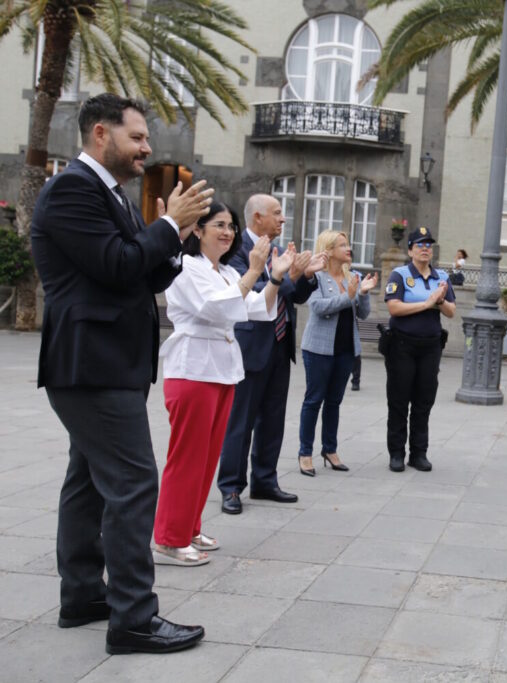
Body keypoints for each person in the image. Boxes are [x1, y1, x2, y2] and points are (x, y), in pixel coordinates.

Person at [31, 93, 210, 654]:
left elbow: (142, 275)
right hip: (91, 366)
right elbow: (117, 265)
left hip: (110, 365)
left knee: (87, 483)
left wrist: (174, 237)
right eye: (137, 138)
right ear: (101, 134)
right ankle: (134, 617)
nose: (147, 149)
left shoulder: (112, 195)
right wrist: (167, 226)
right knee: (134, 484)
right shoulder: (70, 191)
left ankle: (83, 595)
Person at [154, 203, 289, 565]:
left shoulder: (227, 271)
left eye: (230, 226)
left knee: (207, 457)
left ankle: (189, 527)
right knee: (187, 458)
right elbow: (215, 309)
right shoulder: (185, 268)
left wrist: (274, 277)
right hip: (193, 370)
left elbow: (256, 307)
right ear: (197, 230)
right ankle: (169, 536)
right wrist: (257, 270)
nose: (228, 232)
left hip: (222, 370)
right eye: (219, 225)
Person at [217, 194, 323, 515]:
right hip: (250, 346)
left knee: (273, 419)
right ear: (258, 216)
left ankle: (265, 479)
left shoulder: (275, 250)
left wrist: (304, 276)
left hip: (279, 344)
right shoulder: (237, 254)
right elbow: (255, 296)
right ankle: (231, 487)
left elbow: (293, 298)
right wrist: (286, 277)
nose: (283, 219)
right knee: (241, 420)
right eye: (277, 213)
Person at [298, 230, 376, 475]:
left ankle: (330, 449)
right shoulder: (316, 277)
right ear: (329, 250)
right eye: (343, 245)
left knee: (334, 402)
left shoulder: (352, 275)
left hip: (345, 349)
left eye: (348, 244)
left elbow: (362, 314)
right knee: (313, 401)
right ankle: (305, 452)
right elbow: (319, 308)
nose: (349, 249)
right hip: (319, 349)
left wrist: (362, 293)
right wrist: (348, 296)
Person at [382, 227, 456, 472]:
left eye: (429, 245)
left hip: (430, 347)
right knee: (399, 400)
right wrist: (426, 303)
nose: (425, 249)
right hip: (402, 345)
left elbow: (451, 312)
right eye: (420, 245)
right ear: (410, 250)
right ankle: (396, 453)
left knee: (424, 400)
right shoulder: (400, 275)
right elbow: (394, 308)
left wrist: (440, 300)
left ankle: (419, 453)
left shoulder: (441, 277)